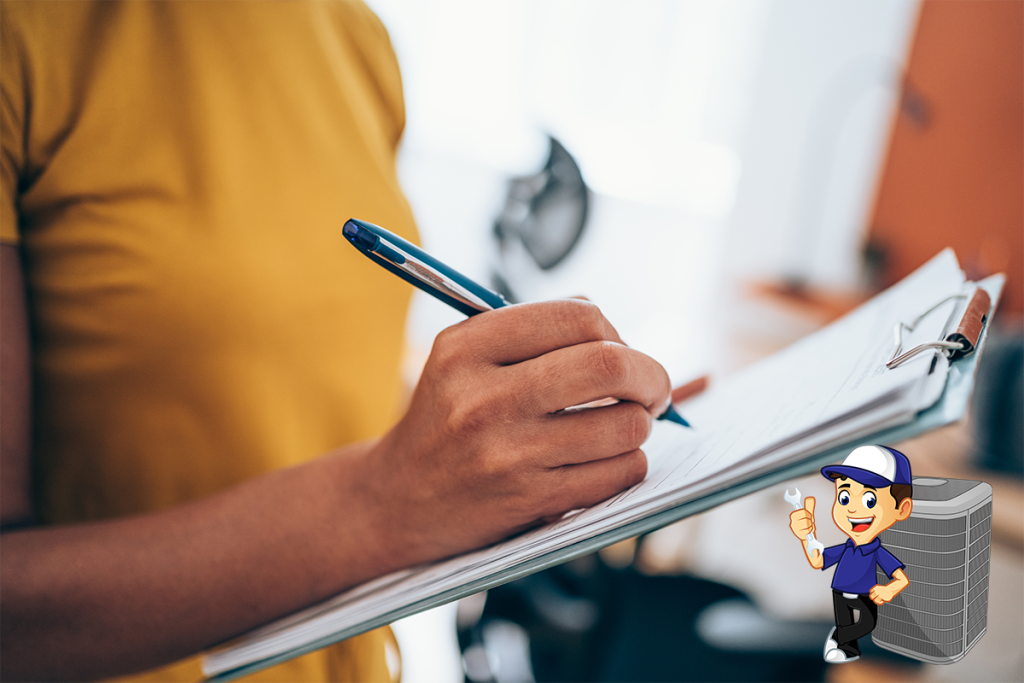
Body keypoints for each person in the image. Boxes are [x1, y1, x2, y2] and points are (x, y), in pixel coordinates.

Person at [0, 2, 677, 681]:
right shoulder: (28, 34)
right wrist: (382, 500)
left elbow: (313, 372)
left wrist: (534, 413)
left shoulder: (358, 35)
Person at [788, 445, 914, 664]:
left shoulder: (878, 551)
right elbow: (818, 560)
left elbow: (900, 578)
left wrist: (888, 589)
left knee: (866, 624)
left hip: (864, 594)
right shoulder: (844, 547)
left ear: (901, 509)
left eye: (869, 501)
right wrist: (805, 537)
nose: (853, 510)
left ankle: (838, 641)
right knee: (850, 629)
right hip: (840, 591)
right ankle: (843, 646)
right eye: (844, 498)